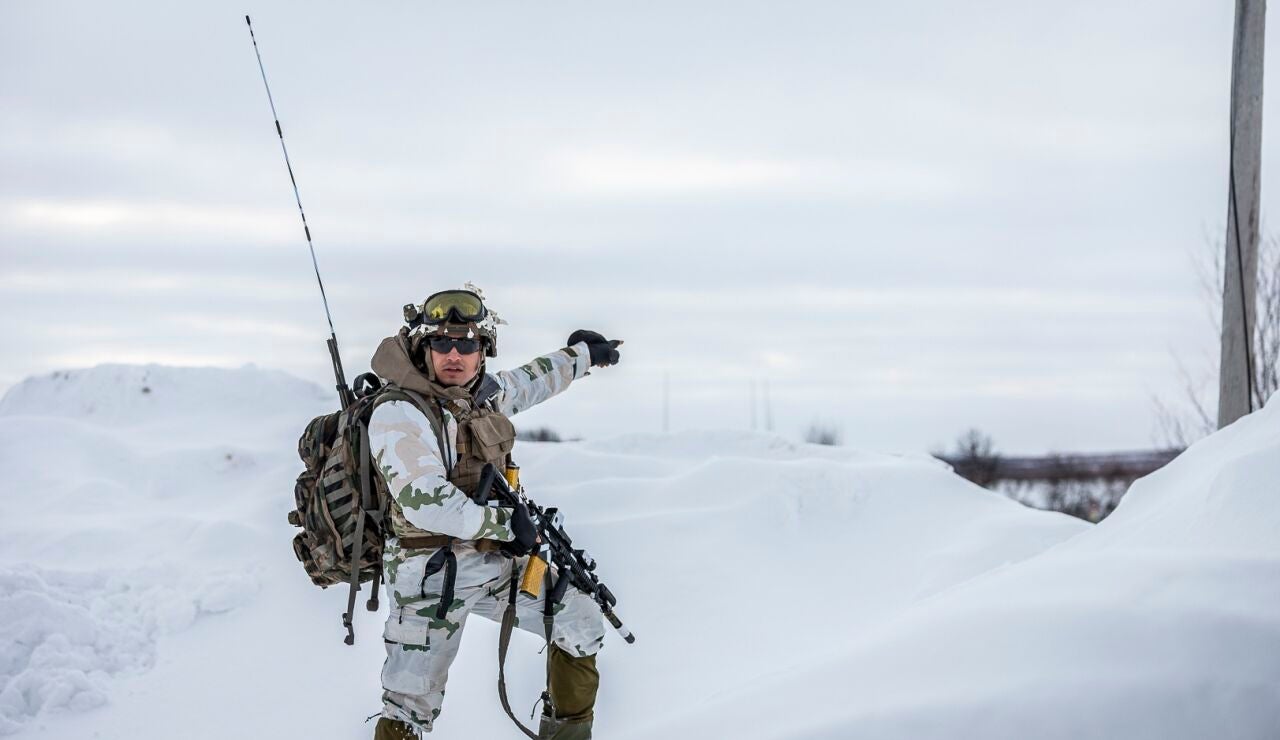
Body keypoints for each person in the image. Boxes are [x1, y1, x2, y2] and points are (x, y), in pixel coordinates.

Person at [366, 285, 622, 740]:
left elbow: (528, 381)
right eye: (442, 342)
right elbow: (423, 500)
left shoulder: (479, 396)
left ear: (483, 350)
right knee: (410, 706)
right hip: (427, 574)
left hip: (492, 561)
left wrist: (581, 356)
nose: (454, 354)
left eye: (468, 343)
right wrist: (505, 524)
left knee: (578, 616)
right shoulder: (399, 412)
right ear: (424, 347)